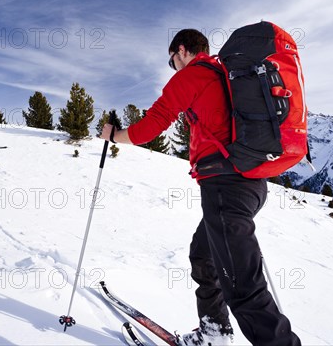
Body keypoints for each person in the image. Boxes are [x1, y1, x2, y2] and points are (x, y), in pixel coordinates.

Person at [100, 29, 301, 346]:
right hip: (250, 184)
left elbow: (148, 129)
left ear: (181, 50)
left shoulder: (193, 76)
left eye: (172, 61)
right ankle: (213, 333)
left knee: (243, 287)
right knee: (204, 256)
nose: (173, 67)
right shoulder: (226, 74)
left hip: (226, 187)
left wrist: (114, 135)